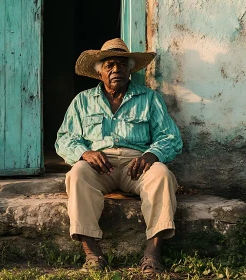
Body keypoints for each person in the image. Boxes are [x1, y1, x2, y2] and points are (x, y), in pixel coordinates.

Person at [55, 38, 183, 274]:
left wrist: (151, 155)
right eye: (110, 65)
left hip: (137, 165)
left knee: (162, 175)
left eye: (122, 65)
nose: (116, 70)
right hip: (98, 167)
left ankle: (152, 256)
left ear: (130, 70)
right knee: (77, 175)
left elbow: (171, 137)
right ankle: (93, 255)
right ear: (100, 72)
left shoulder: (149, 98)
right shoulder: (82, 102)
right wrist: (85, 153)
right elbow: (64, 139)